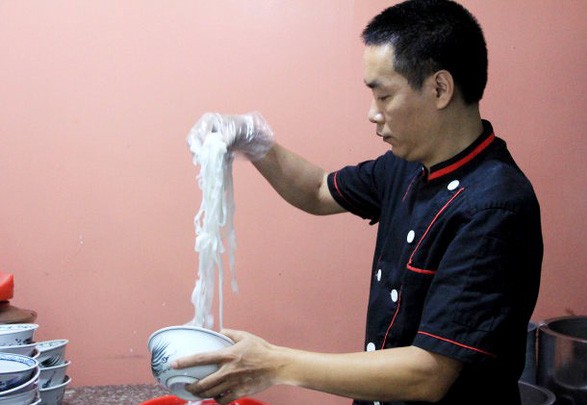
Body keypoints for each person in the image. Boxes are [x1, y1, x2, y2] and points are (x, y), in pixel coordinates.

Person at [173, 0, 543, 404]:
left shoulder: (495, 207)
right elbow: (318, 190)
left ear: (440, 88)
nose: (373, 113)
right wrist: (255, 141)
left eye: (383, 96)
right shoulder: (406, 166)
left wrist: (274, 364)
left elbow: (429, 372)